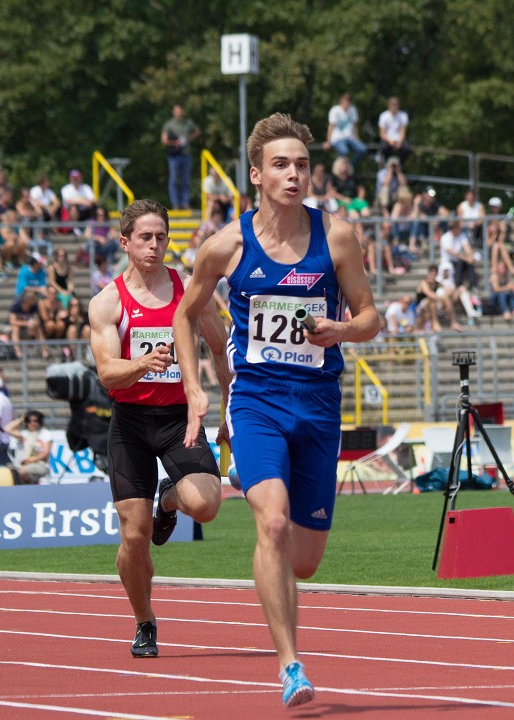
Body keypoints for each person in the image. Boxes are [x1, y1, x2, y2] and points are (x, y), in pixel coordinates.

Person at [171, 113, 379, 708]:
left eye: (302, 165)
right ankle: (290, 665)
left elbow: (371, 316)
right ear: (257, 175)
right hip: (257, 402)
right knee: (274, 523)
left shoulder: (336, 237)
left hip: (317, 406)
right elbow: (186, 315)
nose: (294, 174)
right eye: (281, 165)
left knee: (306, 561)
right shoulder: (227, 246)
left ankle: (267, 505)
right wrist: (194, 387)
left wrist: (340, 328)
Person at [87, 199, 226, 660]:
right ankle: (144, 621)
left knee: (205, 505)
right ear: (125, 242)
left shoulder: (190, 292)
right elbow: (107, 373)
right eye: (145, 237)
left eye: (161, 237)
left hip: (178, 418)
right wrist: (144, 363)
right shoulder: (108, 302)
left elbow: (220, 348)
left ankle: (169, 496)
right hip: (129, 423)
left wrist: (231, 405)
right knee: (134, 535)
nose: (154, 245)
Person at [161, 104, 201, 210]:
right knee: (174, 180)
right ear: (173, 112)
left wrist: (188, 138)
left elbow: (197, 132)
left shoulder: (187, 123)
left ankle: (185, 203)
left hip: (186, 154)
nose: (179, 113)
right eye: (177, 111)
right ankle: (175, 204)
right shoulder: (169, 124)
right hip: (174, 156)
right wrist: (175, 142)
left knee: (185, 180)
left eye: (180, 111)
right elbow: (164, 140)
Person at [5, 410, 51, 484]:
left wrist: (31, 460)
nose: (32, 423)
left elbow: (46, 452)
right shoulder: (24, 434)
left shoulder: (45, 434)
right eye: (29, 421)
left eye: (35, 421)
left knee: (20, 472)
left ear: (40, 422)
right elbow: (8, 429)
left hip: (40, 464)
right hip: (24, 464)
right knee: (10, 471)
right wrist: (22, 419)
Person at [323, 92, 366, 167]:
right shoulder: (335, 110)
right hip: (338, 138)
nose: (346, 104)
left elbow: (355, 126)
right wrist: (328, 141)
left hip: (350, 137)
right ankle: (338, 168)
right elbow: (331, 126)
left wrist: (357, 138)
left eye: (348, 102)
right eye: (345, 101)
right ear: (341, 102)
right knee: (344, 151)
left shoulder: (353, 110)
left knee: (362, 149)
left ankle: (350, 166)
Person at [377, 96, 411, 164]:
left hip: (399, 138)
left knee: (406, 149)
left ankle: (399, 165)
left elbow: (403, 131)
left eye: (395, 105)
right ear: (389, 105)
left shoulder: (403, 116)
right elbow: (382, 133)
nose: (394, 107)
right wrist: (390, 141)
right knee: (384, 148)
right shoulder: (383, 116)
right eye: (392, 105)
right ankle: (388, 164)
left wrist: (400, 141)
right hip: (387, 139)